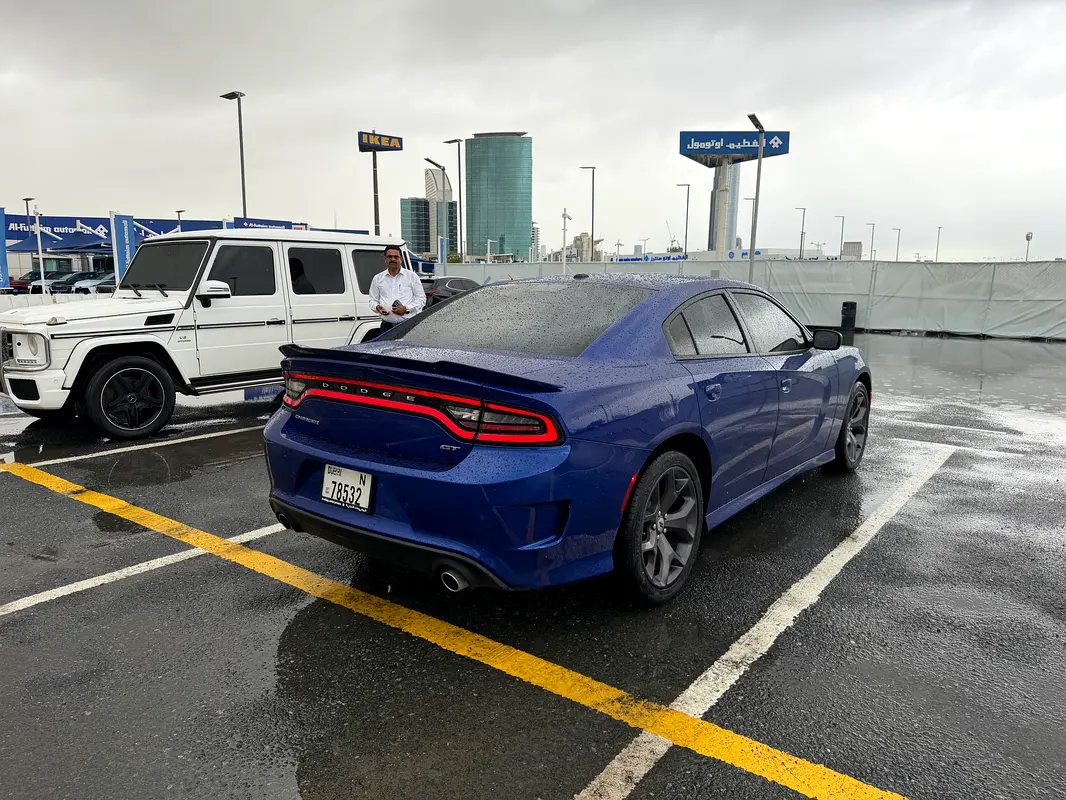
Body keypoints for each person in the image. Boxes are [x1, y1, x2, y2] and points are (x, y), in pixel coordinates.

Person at [368, 245, 426, 333]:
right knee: (386, 347)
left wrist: (406, 308)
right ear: (385, 259)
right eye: (389, 257)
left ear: (401, 259)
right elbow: (372, 300)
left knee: (406, 347)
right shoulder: (378, 278)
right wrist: (377, 307)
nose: (393, 259)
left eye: (396, 257)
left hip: (407, 325)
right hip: (386, 326)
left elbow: (421, 299)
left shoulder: (411, 276)